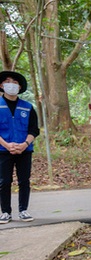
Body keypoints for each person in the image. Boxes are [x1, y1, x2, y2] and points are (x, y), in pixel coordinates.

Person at [0, 71, 39, 223]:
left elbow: (34, 130)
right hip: (3, 150)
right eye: (8, 81)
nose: (11, 84)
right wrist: (7, 145)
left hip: (24, 150)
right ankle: (5, 212)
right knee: (4, 182)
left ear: (20, 87)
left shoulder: (28, 107)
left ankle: (23, 210)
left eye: (15, 82)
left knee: (24, 181)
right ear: (2, 85)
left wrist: (24, 144)